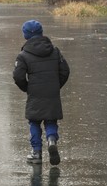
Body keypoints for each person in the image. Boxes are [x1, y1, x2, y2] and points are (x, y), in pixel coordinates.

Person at [13, 20, 70, 165]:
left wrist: (27, 88)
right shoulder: (55, 51)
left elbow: (18, 76)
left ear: (26, 35)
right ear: (41, 32)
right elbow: (65, 71)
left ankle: (36, 153)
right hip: (52, 92)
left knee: (34, 121)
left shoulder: (24, 55)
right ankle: (51, 140)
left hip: (35, 93)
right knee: (51, 120)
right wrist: (56, 86)